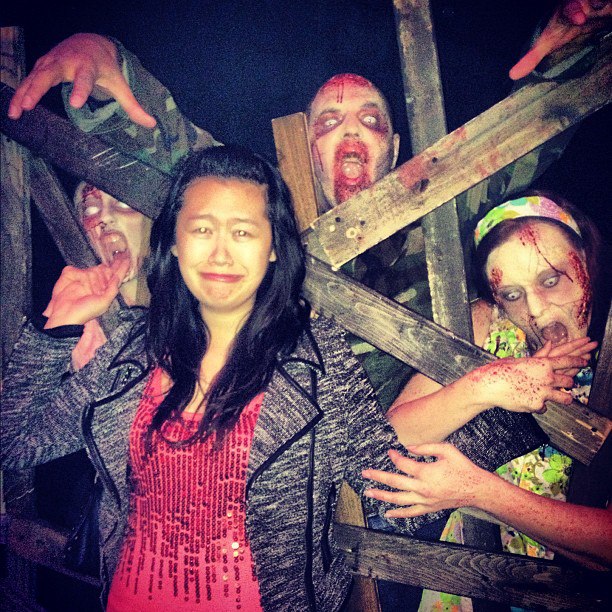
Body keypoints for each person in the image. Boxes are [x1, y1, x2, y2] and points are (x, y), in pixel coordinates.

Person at [2, 145, 542, 611]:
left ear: (274, 247)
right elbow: (15, 443)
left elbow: (385, 488)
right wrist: (56, 330)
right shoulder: (130, 349)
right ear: (173, 242)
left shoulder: (314, 360)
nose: (220, 252)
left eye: (243, 231)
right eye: (201, 229)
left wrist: (528, 415)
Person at [363, 192, 609, 584]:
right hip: (468, 577)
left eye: (551, 280)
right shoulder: (488, 324)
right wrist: (486, 384)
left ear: (587, 261)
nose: (536, 310)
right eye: (512, 294)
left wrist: (480, 492)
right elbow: (389, 439)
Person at [70, 181, 152, 370]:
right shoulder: (81, 317)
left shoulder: (192, 311)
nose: (104, 217)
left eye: (124, 203)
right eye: (90, 209)